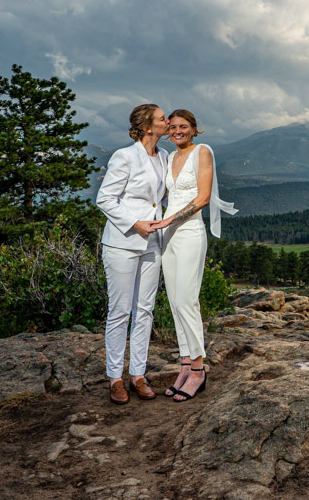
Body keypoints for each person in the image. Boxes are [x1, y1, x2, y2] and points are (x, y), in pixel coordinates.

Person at [157, 108, 236, 401]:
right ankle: (184, 365)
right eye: (173, 126)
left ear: (193, 129)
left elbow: (202, 198)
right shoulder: (168, 157)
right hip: (168, 237)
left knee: (188, 300)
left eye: (183, 126)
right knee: (175, 302)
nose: (177, 131)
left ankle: (199, 371)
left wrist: (168, 220)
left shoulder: (202, 152)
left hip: (189, 233)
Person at [95, 104, 169, 405]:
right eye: (163, 118)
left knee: (145, 309)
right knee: (120, 310)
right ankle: (115, 377)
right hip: (123, 243)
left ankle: (138, 374)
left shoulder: (164, 157)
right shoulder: (124, 156)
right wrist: (135, 224)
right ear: (148, 127)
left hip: (152, 244)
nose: (168, 121)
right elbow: (105, 199)